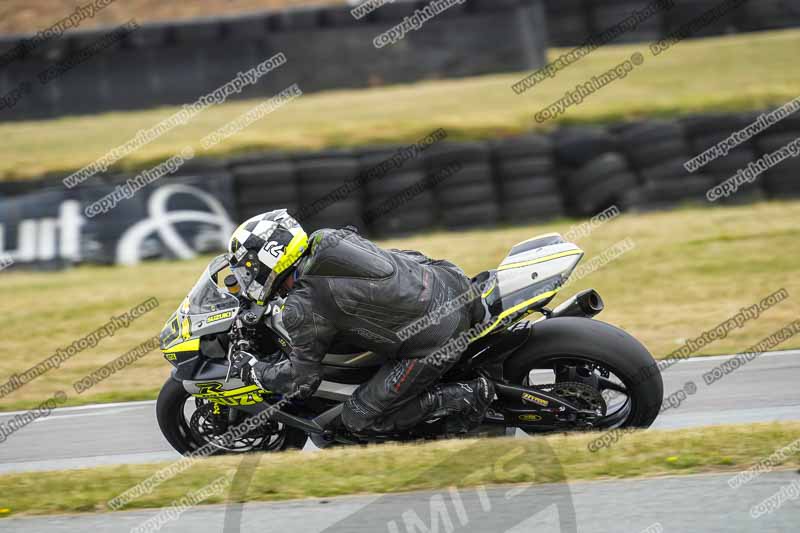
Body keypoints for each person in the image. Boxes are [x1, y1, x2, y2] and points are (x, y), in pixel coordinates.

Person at [227, 209, 494, 436]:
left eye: (248, 269)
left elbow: (303, 381)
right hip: (451, 281)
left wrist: (255, 371)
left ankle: (466, 395)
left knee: (358, 417)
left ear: (267, 259)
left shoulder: (301, 305)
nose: (248, 276)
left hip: (436, 337)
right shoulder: (327, 238)